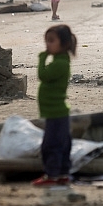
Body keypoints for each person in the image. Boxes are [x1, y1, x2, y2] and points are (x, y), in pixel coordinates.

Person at [31, 24, 77, 186]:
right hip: (55, 113)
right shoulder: (59, 61)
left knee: (51, 145)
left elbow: (42, 75)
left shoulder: (60, 64)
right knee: (62, 144)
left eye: (51, 41)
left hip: (56, 113)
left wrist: (42, 58)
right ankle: (63, 174)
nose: (47, 45)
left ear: (64, 44)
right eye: (46, 41)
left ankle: (52, 175)